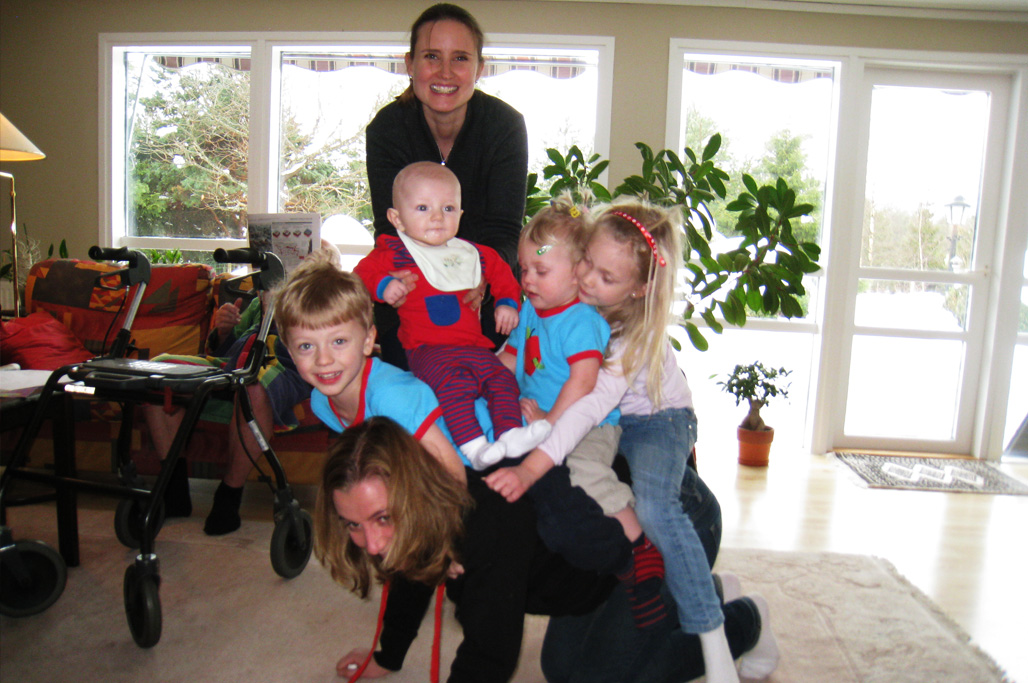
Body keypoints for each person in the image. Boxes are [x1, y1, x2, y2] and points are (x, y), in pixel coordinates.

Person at [315, 416, 779, 683]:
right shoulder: (419, 512)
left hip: (673, 524)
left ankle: (746, 619)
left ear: (414, 490)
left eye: (381, 519)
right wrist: (387, 655)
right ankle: (705, 592)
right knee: (561, 668)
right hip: (599, 568)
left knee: (596, 679)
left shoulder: (487, 517)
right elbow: (408, 567)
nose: (372, 544)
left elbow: (489, 653)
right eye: (353, 524)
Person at [505, 201, 747, 682]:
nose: (586, 279)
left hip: (660, 423)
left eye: (606, 277)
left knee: (655, 505)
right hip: (612, 434)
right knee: (560, 669)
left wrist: (538, 450)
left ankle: (726, 628)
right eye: (586, 262)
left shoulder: (629, 336)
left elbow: (587, 405)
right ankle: (712, 589)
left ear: (639, 289)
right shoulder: (569, 308)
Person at [490, 198, 668, 630]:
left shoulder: (582, 321)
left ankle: (639, 549)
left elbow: (583, 384)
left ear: (575, 272)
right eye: (524, 269)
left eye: (540, 270)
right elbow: (511, 357)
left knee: (584, 473)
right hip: (541, 418)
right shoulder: (531, 309)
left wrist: (549, 421)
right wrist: (482, 379)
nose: (527, 280)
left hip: (589, 426)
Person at [353, 161, 549, 469]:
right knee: (453, 388)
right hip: (427, 350)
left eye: (448, 208)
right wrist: (383, 284)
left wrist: (507, 303)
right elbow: (361, 274)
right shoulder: (394, 252)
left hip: (474, 347)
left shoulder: (471, 253)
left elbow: (501, 272)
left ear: (460, 214)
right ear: (397, 218)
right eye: (422, 208)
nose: (437, 217)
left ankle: (510, 434)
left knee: (501, 379)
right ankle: (474, 447)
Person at [366, 2, 528, 370]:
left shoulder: (504, 126)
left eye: (460, 58)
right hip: (411, 306)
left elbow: (505, 232)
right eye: (431, 56)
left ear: (479, 68)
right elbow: (389, 228)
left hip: (482, 303)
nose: (445, 72)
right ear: (410, 64)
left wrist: (478, 276)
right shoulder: (388, 129)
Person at [142, 246, 335, 536]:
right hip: (232, 363)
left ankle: (229, 495)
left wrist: (290, 314)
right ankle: (174, 487)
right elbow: (225, 347)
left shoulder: (327, 306)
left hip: (280, 368)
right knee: (158, 371)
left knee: (253, 386)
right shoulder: (258, 300)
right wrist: (224, 329)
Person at [271, 250, 467, 484]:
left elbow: (453, 474)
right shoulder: (321, 403)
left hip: (478, 463)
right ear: (290, 352)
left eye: (339, 341)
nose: (323, 360)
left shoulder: (389, 396)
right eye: (306, 346)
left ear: (367, 341)